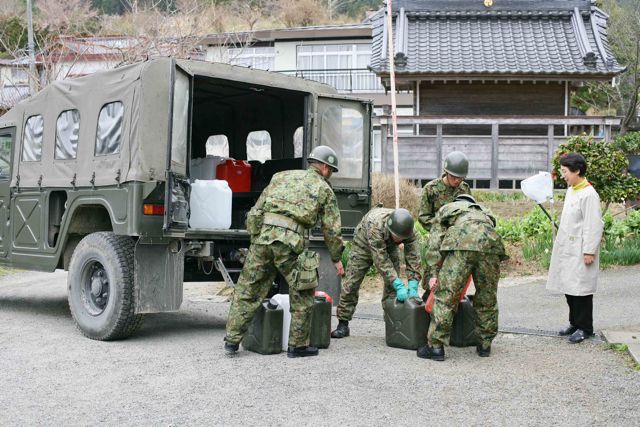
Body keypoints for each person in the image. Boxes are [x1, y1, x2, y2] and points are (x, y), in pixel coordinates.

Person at [224, 145, 345, 358]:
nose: (331, 175)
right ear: (325, 167)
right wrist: (337, 259)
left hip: (263, 238)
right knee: (302, 291)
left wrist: (256, 240)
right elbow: (332, 230)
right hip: (290, 243)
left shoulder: (280, 176)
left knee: (247, 290)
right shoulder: (324, 188)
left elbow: (256, 211)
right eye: (332, 171)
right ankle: (297, 346)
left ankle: (232, 341)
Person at [418, 194, 506, 361]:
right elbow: (488, 231)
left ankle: (435, 347)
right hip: (491, 246)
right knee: (487, 297)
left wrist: (433, 273)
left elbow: (435, 242)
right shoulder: (485, 212)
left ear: (456, 203)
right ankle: (485, 345)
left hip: (461, 245)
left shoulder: (447, 209)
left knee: (446, 296)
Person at [330, 208, 422, 339]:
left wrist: (413, 283)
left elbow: (413, 258)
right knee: (351, 283)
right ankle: (343, 324)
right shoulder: (376, 226)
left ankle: (394, 325)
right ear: (390, 229)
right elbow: (381, 259)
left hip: (388, 247)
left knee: (392, 290)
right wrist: (397, 282)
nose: (399, 241)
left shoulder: (408, 231)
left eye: (402, 239)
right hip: (364, 244)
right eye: (397, 237)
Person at [547, 152, 603, 344]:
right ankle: (574, 323)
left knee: (582, 291)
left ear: (577, 170)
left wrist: (589, 250)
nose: (563, 175)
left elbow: (593, 224)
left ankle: (585, 328)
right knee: (570, 288)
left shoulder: (589, 194)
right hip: (568, 248)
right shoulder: (573, 189)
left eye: (565, 171)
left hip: (581, 249)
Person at [418, 151, 471, 299]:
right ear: (446, 172)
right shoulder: (431, 189)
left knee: (454, 279)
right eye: (454, 177)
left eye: (460, 178)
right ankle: (428, 306)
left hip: (457, 241)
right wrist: (439, 228)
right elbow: (423, 217)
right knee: (432, 280)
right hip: (437, 242)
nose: (457, 181)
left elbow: (469, 212)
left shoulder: (464, 189)